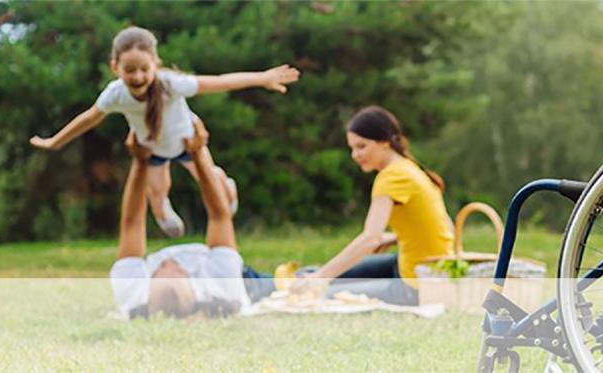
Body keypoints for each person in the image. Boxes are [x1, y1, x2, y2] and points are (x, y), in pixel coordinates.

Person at [30, 26, 300, 238]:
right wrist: (55, 141)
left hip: (189, 144)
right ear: (115, 68)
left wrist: (262, 78)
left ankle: (226, 183)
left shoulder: (171, 84)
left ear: (155, 65)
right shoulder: (116, 94)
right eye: (129, 70)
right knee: (158, 198)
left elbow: (219, 82)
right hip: (154, 150)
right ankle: (165, 214)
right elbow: (88, 118)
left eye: (144, 69)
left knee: (218, 195)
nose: (137, 77)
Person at [290, 105, 454, 305]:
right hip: (422, 271)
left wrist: (319, 279)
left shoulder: (392, 177)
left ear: (385, 142)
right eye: (352, 148)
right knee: (308, 274)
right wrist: (397, 237)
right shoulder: (409, 168)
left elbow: (370, 239)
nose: (355, 155)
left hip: (416, 288)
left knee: (322, 292)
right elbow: (445, 227)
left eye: (361, 146)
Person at [110, 117, 272, 319]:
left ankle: (162, 200)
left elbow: (131, 223)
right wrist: (198, 154)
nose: (169, 261)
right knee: (299, 281)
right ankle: (226, 191)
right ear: (193, 285)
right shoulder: (222, 285)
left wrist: (140, 161)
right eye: (178, 269)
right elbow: (219, 216)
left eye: (160, 269)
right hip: (246, 280)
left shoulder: (133, 293)